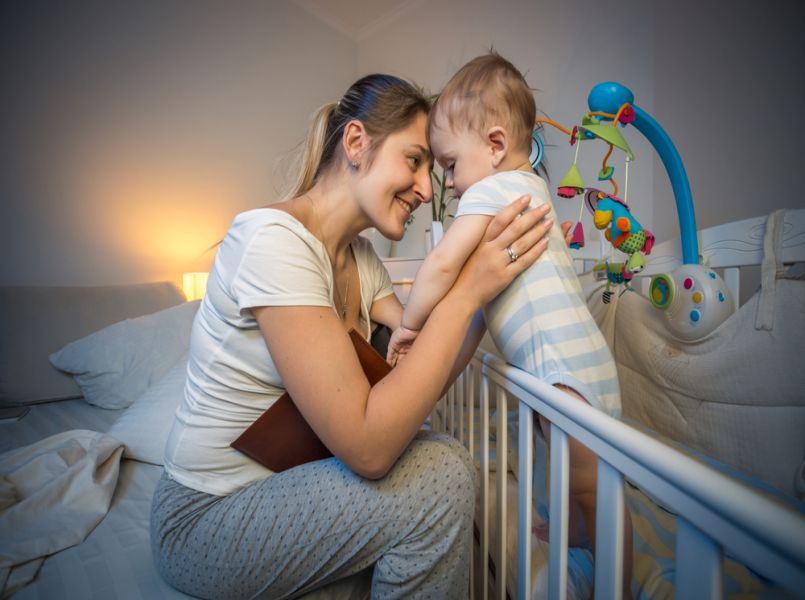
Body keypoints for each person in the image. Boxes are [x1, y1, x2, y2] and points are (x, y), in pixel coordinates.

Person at [150, 72, 556, 600]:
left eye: (433, 170)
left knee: (436, 450)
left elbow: (418, 368)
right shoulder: (272, 240)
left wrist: (486, 295)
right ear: (357, 143)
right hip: (205, 516)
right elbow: (367, 447)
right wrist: (465, 295)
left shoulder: (362, 262)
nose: (426, 188)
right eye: (414, 161)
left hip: (288, 482)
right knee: (443, 473)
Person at [386, 53, 633, 595]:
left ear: (494, 146)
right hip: (569, 371)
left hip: (565, 375)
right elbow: (476, 307)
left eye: (449, 164)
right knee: (576, 480)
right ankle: (581, 533)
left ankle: (619, 577)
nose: (447, 184)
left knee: (597, 492)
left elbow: (443, 265)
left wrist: (410, 322)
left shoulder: (492, 190)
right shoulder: (526, 190)